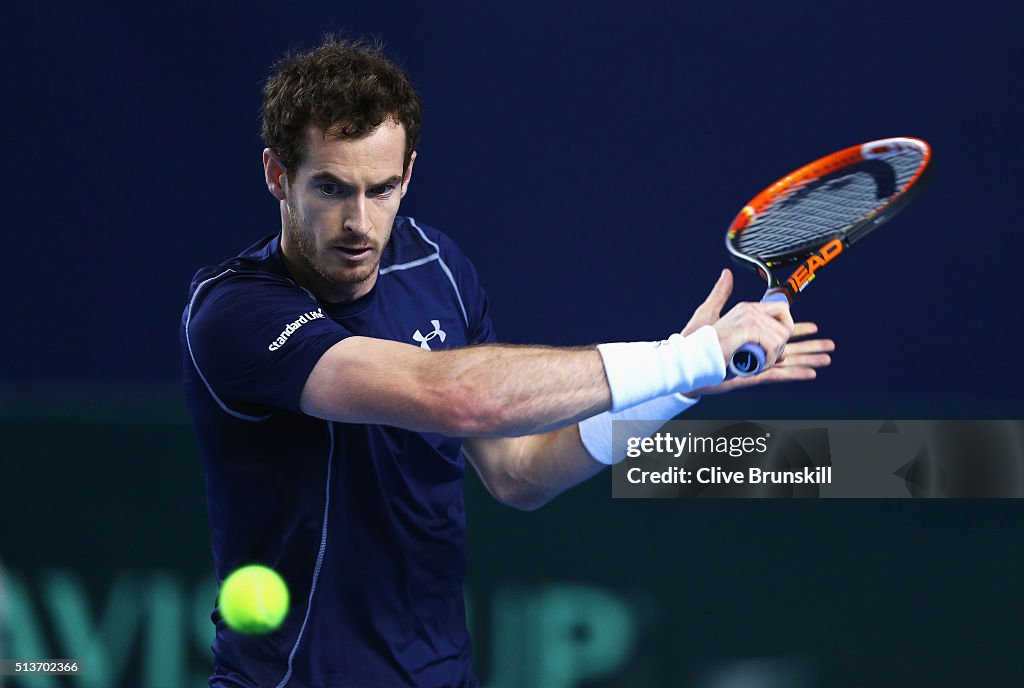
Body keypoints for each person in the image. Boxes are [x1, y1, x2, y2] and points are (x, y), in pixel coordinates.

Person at [181, 36, 834, 688]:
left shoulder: (435, 266)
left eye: (381, 189)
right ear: (277, 175)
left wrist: (685, 382)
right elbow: (459, 398)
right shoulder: (236, 313)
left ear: (408, 175)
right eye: (331, 188)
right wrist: (684, 355)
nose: (360, 222)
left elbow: (519, 472)